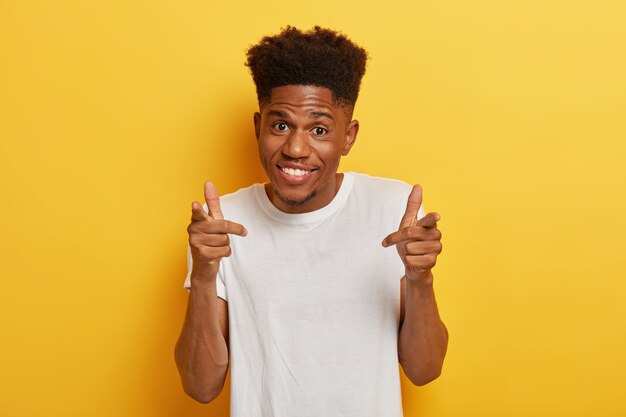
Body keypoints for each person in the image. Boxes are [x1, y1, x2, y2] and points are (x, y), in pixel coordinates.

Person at [175, 26, 448, 416]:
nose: (296, 149)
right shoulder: (222, 224)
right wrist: (203, 274)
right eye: (280, 125)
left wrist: (420, 279)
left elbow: (425, 370)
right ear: (258, 127)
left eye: (319, 129)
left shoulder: (393, 211)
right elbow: (200, 387)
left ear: (348, 137)